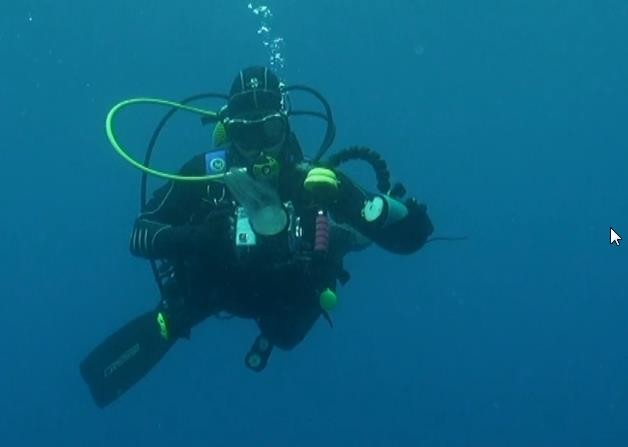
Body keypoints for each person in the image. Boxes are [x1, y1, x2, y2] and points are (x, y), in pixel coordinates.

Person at [80, 66, 434, 408]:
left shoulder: (312, 182)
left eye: (270, 130)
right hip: (217, 289)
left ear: (285, 125)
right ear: (228, 132)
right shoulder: (206, 176)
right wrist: (198, 237)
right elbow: (140, 234)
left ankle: (340, 239)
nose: (259, 148)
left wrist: (378, 208)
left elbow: (412, 239)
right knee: (177, 313)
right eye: (246, 135)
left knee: (288, 330)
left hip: (286, 302)